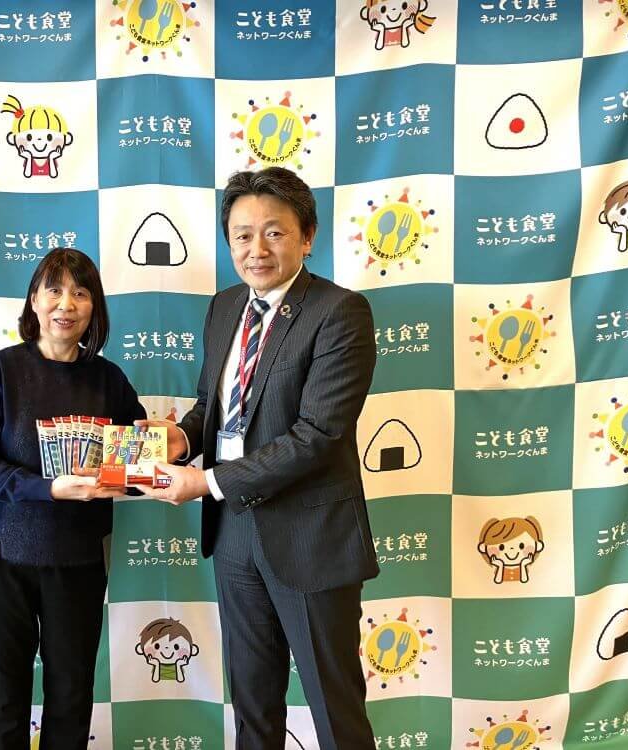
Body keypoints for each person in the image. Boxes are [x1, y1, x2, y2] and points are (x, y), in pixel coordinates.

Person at [138, 167, 379, 749]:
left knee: (335, 709)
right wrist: (181, 439)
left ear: (307, 236)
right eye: (242, 235)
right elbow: (214, 407)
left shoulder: (339, 311)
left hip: (310, 536)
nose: (256, 249)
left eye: (274, 232)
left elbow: (317, 435)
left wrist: (206, 481)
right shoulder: (224, 308)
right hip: (234, 533)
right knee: (252, 705)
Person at [0, 248, 145, 749]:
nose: (67, 304)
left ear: (94, 306)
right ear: (34, 301)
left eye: (80, 293)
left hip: (78, 559)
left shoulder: (109, 380)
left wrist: (132, 473)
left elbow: (137, 464)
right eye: (54, 290)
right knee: (2, 700)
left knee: (71, 697)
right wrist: (48, 488)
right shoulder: (0, 371)